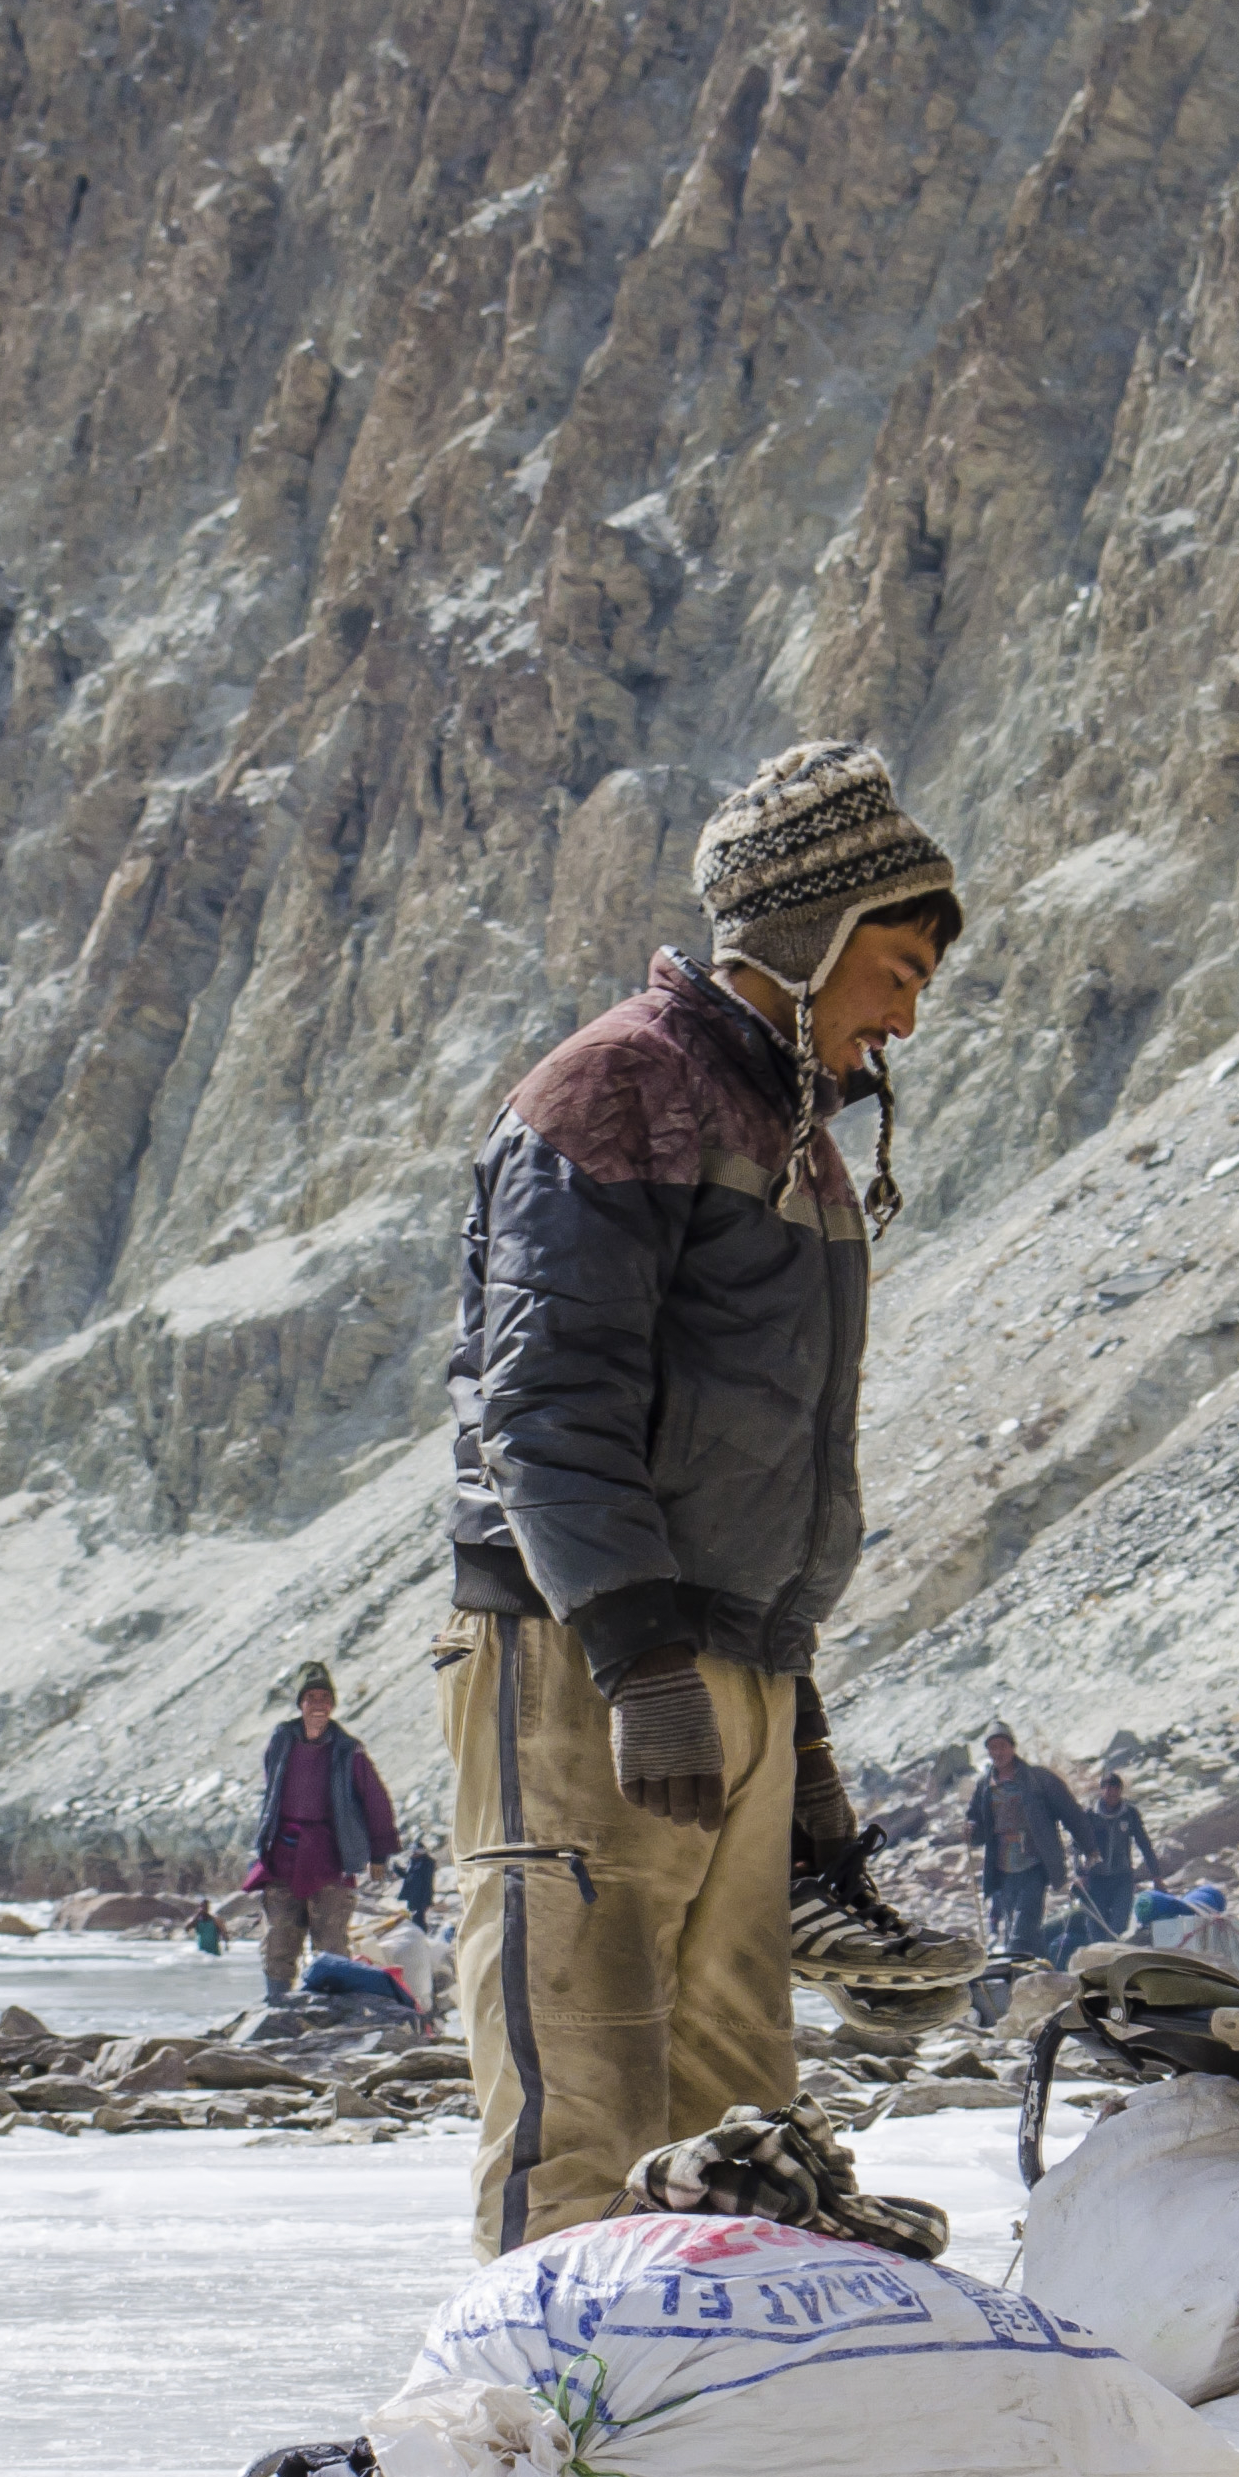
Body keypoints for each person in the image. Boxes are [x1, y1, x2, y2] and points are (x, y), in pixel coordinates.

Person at [440, 740, 977, 2252]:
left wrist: (794, 1733)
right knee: (582, 2090)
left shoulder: (786, 1130)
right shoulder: (617, 1089)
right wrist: (642, 1664)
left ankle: (717, 2395)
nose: (906, 1013)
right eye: (893, 969)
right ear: (804, 937)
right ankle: (558, 2395)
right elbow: (545, 1405)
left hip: (724, 1662)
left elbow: (761, 1466)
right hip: (578, 1660)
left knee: (741, 2114)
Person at [239, 1663, 400, 1998]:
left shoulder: (348, 1750)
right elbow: (272, 1790)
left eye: (325, 1698)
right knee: (279, 1938)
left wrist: (379, 1853)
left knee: (330, 1941)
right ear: (300, 1703)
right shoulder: (281, 1740)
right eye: (311, 1697)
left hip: (330, 1855)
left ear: (333, 1704)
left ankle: (331, 2008)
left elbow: (375, 1799)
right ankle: (277, 2005)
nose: (318, 1705)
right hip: (283, 1854)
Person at [963, 1723, 1085, 1964]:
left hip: (1034, 1862)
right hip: (1003, 1867)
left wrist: (1089, 1849)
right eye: (992, 1748)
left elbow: (1071, 1813)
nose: (998, 1752)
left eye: (1002, 1746)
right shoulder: (985, 1785)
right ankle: (1044, 1968)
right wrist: (971, 1829)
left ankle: (1014, 1971)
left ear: (1012, 1747)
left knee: (1020, 1930)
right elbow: (977, 1822)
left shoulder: (1038, 1779)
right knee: (1020, 1927)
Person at [1068, 1766, 1159, 1945]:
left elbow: (1144, 1844)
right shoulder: (1090, 1815)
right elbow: (1076, 1846)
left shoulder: (1129, 1814)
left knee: (1119, 1926)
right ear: (1102, 1790)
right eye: (1108, 1789)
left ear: (1120, 1791)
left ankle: (1116, 1955)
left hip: (1122, 1878)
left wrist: (1156, 1875)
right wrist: (1080, 1874)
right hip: (1096, 1878)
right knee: (1095, 1926)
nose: (1112, 1793)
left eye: (1116, 1789)